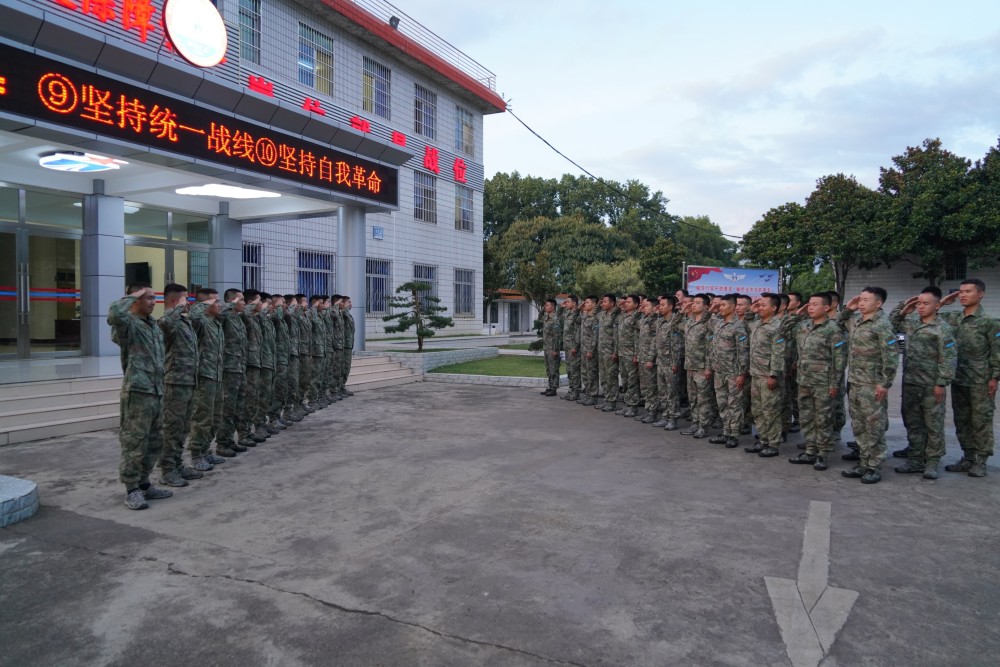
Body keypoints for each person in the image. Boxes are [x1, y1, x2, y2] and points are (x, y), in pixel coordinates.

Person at [108, 284, 171, 510]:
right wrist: (132, 294)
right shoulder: (128, 325)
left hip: (156, 390)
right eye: (149, 298)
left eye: (155, 298)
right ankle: (131, 489)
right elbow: (115, 313)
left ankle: (144, 483)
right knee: (134, 442)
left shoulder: (153, 325)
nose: (154, 302)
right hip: (138, 392)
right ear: (135, 301)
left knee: (154, 442)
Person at [889, 287, 957, 479]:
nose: (920, 307)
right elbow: (892, 324)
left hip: (931, 385)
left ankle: (933, 462)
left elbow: (949, 358)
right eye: (919, 303)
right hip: (911, 382)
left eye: (926, 304)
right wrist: (904, 307)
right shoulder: (911, 322)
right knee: (913, 422)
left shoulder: (942, 329)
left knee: (933, 424)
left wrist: (941, 383)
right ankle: (916, 459)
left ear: (937, 306)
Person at [937, 279, 1000, 477]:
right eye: (960, 292)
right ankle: (968, 457)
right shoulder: (953, 318)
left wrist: (995, 377)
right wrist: (942, 303)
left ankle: (980, 461)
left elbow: (997, 352)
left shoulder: (990, 322)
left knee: (980, 421)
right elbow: (928, 316)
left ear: (980, 294)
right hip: (959, 378)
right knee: (962, 420)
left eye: (968, 291)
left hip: (980, 380)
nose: (962, 295)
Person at [837, 286, 900, 484]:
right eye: (860, 300)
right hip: (855, 381)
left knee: (874, 426)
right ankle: (864, 462)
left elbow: (890, 356)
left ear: (878, 303)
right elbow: (838, 321)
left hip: (872, 384)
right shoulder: (857, 321)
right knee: (859, 425)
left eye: (865, 300)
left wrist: (885, 383)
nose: (861, 303)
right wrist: (849, 307)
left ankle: (874, 466)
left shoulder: (882, 325)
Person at [788, 293, 847, 471]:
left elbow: (839, 360)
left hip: (823, 382)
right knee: (807, 417)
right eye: (809, 304)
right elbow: (784, 328)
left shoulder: (833, 329)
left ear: (827, 308)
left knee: (823, 419)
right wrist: (799, 313)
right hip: (804, 380)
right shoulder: (803, 326)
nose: (810, 307)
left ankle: (822, 454)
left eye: (815, 304)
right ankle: (810, 450)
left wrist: (834, 384)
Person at [157, 283, 204, 488]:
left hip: (188, 382)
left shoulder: (184, 323)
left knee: (184, 427)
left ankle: (177, 464)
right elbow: (166, 322)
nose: (189, 303)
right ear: (175, 300)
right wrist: (177, 307)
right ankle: (167, 470)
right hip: (174, 383)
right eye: (186, 299)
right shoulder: (168, 321)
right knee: (172, 429)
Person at [187, 288, 226, 471]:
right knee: (202, 417)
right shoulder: (200, 322)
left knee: (215, 417)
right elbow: (194, 316)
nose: (219, 305)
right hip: (205, 376)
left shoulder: (215, 322)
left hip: (217, 374)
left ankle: (206, 449)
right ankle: (196, 455)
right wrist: (201, 305)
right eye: (215, 302)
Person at [746, 293, 786, 457]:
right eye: (759, 305)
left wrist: (774, 375)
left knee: (771, 412)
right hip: (755, 374)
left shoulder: (777, 327)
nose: (760, 307)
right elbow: (745, 321)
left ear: (774, 307)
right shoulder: (757, 324)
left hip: (768, 376)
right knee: (758, 411)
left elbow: (778, 353)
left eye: (763, 305)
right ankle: (763, 440)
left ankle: (773, 444)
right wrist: (753, 309)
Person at [708, 294, 749, 448]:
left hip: (733, 372)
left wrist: (741, 373)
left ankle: (734, 435)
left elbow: (743, 352)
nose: (720, 308)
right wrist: (713, 309)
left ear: (732, 307)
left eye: (723, 305)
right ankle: (726, 431)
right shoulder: (718, 324)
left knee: (734, 404)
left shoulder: (738, 326)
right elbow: (709, 319)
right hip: (719, 371)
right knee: (722, 403)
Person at [217, 288, 250, 457]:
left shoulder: (237, 318)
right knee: (227, 408)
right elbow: (217, 313)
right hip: (229, 369)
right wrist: (230, 304)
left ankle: (230, 440)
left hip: (239, 367)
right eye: (241, 300)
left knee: (238, 407)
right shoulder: (225, 316)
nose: (244, 303)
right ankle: (222, 443)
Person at [681, 294, 714, 438]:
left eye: (698, 303)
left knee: (703, 399)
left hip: (702, 366)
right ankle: (695, 423)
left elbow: (709, 348)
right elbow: (673, 324)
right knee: (693, 398)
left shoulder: (708, 323)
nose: (693, 305)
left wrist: (708, 367)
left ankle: (703, 426)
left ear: (706, 307)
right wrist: (682, 311)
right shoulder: (690, 321)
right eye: (693, 302)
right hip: (690, 365)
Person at [653, 294, 684, 430]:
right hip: (660, 361)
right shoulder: (660, 321)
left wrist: (674, 363)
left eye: (663, 305)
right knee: (663, 392)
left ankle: (673, 418)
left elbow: (676, 345)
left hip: (670, 363)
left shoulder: (675, 323)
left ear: (671, 307)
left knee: (672, 393)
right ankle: (665, 416)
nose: (660, 307)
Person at [616, 295, 642, 417]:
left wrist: (636, 354)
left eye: (628, 302)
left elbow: (638, 337)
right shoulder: (623, 316)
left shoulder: (637, 317)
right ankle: (627, 404)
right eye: (625, 302)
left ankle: (633, 406)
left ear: (636, 305)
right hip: (622, 353)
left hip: (631, 353)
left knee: (632, 382)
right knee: (625, 381)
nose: (625, 303)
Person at [636, 296, 660, 423]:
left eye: (646, 306)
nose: (643, 308)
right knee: (644, 387)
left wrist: (651, 358)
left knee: (651, 387)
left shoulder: (655, 322)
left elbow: (655, 342)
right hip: (642, 357)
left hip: (649, 359)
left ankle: (653, 412)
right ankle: (647, 410)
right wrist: (641, 312)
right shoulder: (644, 320)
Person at [596, 294, 620, 412]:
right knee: (603, 377)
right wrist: (598, 304)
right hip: (601, 350)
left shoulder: (615, 315)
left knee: (611, 377)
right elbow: (594, 313)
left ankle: (612, 401)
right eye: (602, 302)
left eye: (605, 302)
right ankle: (607, 399)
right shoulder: (602, 315)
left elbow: (616, 335)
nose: (602, 304)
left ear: (612, 303)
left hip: (610, 351)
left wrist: (615, 352)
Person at [578, 296, 600, 406]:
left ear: (594, 304)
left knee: (592, 374)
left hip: (590, 350)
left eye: (587, 302)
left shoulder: (595, 318)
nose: (584, 304)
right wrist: (581, 307)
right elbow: (578, 312)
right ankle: (588, 394)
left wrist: (591, 350)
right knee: (585, 373)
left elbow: (595, 336)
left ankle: (593, 396)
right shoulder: (585, 316)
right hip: (583, 349)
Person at [561, 295, 582, 401]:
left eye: (568, 302)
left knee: (574, 370)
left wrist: (575, 346)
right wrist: (562, 307)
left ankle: (576, 392)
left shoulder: (578, 315)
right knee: (569, 369)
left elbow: (578, 331)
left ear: (574, 303)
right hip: (567, 346)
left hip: (573, 346)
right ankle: (571, 390)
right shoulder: (567, 314)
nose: (566, 303)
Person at [540, 298, 561, 396]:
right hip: (546, 348)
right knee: (548, 368)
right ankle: (550, 386)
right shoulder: (546, 318)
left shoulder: (555, 319)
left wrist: (555, 349)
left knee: (554, 369)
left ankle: (554, 388)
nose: (545, 307)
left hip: (552, 348)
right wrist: (543, 308)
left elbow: (556, 336)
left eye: (547, 305)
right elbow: (539, 317)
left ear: (553, 307)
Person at [341, 296, 356, 397]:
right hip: (344, 345)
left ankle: (342, 387)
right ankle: (338, 388)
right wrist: (344, 307)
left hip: (348, 345)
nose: (350, 304)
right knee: (342, 367)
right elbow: (344, 313)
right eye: (348, 302)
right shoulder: (343, 314)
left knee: (347, 368)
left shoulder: (349, 315)